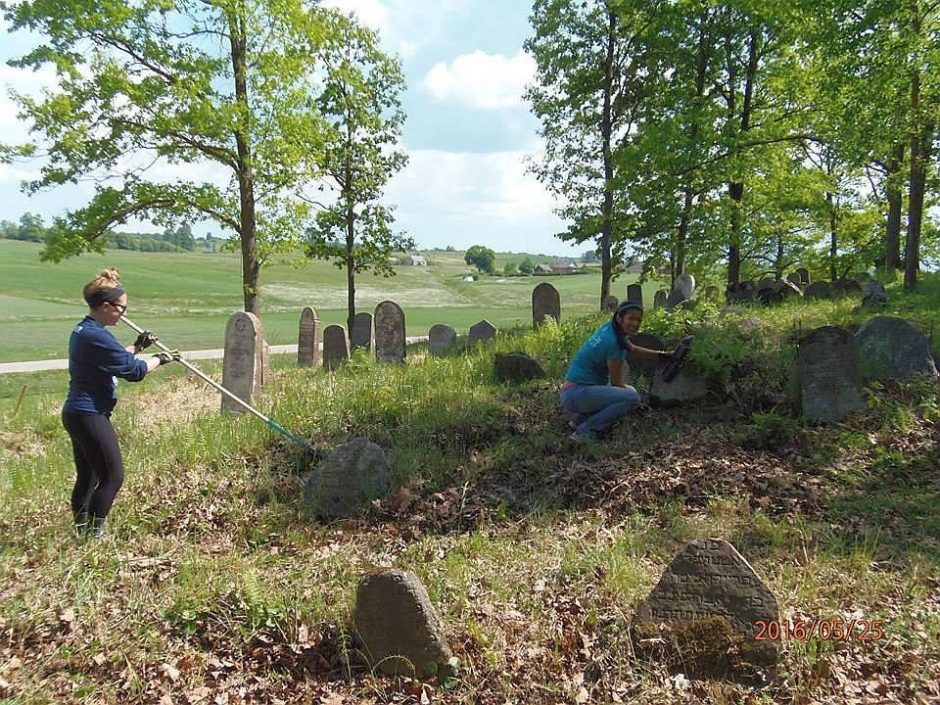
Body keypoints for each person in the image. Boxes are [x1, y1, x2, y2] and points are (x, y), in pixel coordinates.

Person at [61, 268, 178, 538]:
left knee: (89, 476)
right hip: (90, 414)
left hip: (77, 412)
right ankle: (95, 535)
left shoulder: (85, 330)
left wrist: (138, 347)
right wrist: (161, 359)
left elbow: (116, 359)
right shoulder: (96, 336)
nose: (124, 314)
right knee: (113, 477)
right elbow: (134, 372)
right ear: (105, 305)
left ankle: (82, 530)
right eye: (121, 308)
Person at [560, 301, 672, 440]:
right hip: (577, 394)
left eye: (638, 320)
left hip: (573, 390)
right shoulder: (614, 344)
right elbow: (616, 383)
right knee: (631, 397)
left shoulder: (610, 328)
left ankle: (576, 422)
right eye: (631, 319)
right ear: (619, 318)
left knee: (627, 393)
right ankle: (586, 432)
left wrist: (662, 355)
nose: (635, 323)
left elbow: (634, 349)